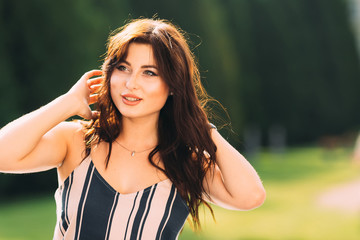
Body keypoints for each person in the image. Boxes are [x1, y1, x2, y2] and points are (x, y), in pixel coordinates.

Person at [0, 18, 265, 239]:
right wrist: (67, 103)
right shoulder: (77, 140)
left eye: (149, 72)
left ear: (173, 85)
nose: (131, 84)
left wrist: (201, 127)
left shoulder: (186, 163)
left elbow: (250, 196)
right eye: (123, 68)